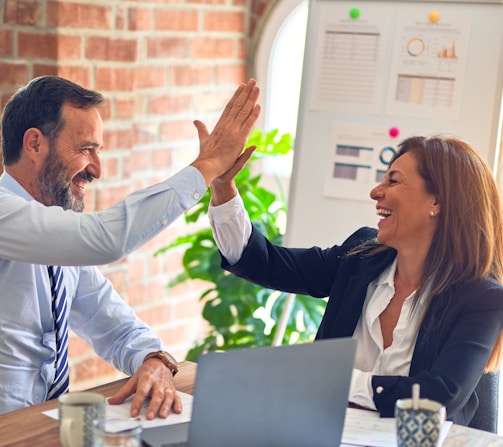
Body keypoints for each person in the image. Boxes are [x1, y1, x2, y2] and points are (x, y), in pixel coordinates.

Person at [0, 75, 260, 416]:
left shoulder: (56, 237)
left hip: (41, 426)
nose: (97, 169)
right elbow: (105, 240)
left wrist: (154, 359)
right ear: (34, 144)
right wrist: (206, 167)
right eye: (85, 149)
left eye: (98, 150)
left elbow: (112, 324)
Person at [207, 134, 503, 426]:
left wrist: (338, 381)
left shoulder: (482, 298)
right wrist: (222, 186)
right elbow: (265, 262)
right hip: (330, 441)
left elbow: (438, 398)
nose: (376, 191)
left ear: (436, 201)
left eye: (393, 180)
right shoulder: (361, 256)